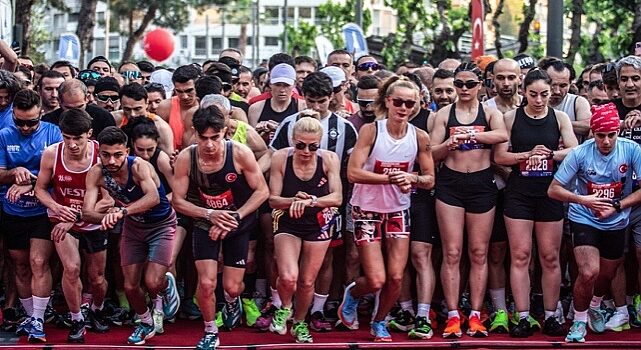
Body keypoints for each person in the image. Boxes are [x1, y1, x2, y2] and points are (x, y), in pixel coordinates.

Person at [338, 76, 436, 342]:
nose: (403, 108)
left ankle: (379, 321)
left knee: (395, 277)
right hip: (366, 210)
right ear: (387, 102)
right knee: (376, 279)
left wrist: (413, 178)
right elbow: (353, 172)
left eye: (409, 103)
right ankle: (353, 294)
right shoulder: (372, 130)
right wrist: (392, 178)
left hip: (397, 210)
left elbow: (429, 179)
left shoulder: (420, 136)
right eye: (398, 102)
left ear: (416, 106)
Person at [172, 105, 269, 350]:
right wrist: (210, 214)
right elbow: (178, 200)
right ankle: (210, 330)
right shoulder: (187, 158)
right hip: (206, 220)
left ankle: (232, 300)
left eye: (215, 138)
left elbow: (262, 191)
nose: (209, 145)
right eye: (203, 138)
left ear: (225, 132)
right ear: (195, 134)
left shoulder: (239, 153)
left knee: (232, 286)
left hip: (239, 219)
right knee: (206, 284)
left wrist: (234, 217)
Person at [494, 69, 579, 337]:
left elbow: (574, 150)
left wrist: (551, 154)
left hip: (550, 193)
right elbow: (499, 157)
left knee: (550, 257)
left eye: (544, 94)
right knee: (520, 256)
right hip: (519, 193)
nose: (540, 100)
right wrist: (526, 155)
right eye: (533, 94)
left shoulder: (560, 117)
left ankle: (552, 314)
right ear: (524, 92)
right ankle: (522, 315)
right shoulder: (510, 118)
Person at [548, 103, 641, 343]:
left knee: (607, 274)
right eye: (601, 135)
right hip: (584, 217)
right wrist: (583, 200)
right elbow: (554, 190)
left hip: (616, 220)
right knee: (589, 271)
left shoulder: (632, 150)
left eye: (612, 135)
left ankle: (595, 304)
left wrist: (618, 206)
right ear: (592, 132)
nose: (607, 141)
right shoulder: (580, 153)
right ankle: (579, 322)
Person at [429, 63, 508, 338]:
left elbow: (502, 135)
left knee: (478, 252)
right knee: (452, 252)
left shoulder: (489, 111)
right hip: (451, 184)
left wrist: (473, 135)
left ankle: (475, 313)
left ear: (480, 85)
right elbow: (430, 153)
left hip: (481, 184)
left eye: (469, 84)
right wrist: (448, 145)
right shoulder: (443, 114)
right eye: (459, 84)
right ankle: (452, 314)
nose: (464, 89)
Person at [82, 127, 180, 345]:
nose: (112, 160)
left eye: (118, 154)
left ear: (126, 151)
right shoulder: (97, 172)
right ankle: (145, 322)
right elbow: (87, 212)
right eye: (106, 155)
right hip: (133, 227)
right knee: (130, 286)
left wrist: (121, 212)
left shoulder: (138, 166)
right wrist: (105, 218)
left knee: (153, 282)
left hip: (161, 225)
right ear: (99, 154)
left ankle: (165, 286)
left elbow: (153, 197)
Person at [34, 109, 110, 342]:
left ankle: (96, 309)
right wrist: (56, 208)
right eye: (67, 138)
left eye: (78, 138)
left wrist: (77, 217)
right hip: (61, 218)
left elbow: (108, 199)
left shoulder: (101, 155)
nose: (72, 144)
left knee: (96, 278)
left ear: (89, 134)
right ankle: (77, 319)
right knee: (72, 268)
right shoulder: (51, 154)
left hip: (93, 220)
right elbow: (40, 189)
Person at [267, 117, 342, 343]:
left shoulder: (329, 159)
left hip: (317, 221)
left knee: (308, 281)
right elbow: (273, 199)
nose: (306, 151)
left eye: (313, 146)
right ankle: (284, 307)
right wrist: (293, 200)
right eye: (300, 145)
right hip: (288, 221)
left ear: (320, 144)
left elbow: (337, 197)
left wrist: (311, 201)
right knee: (289, 277)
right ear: (292, 141)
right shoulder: (281, 157)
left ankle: (300, 322)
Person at [0, 89, 63, 343]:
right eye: (19, 122)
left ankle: (38, 318)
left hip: (42, 209)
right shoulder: (4, 135)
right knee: (21, 265)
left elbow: (60, 174)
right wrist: (15, 172)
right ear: (13, 116)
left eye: (31, 122)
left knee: (38, 261)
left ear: (41, 114)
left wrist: (30, 182)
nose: (25, 127)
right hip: (12, 210)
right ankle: (30, 315)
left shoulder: (53, 133)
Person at [248, 63, 305, 140]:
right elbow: (251, 141)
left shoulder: (302, 107)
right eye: (278, 85)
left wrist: (279, 129)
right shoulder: (256, 109)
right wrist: (259, 132)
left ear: (294, 85)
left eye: (286, 85)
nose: (282, 90)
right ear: (270, 84)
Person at [42, 79, 116, 138]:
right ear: (59, 101)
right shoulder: (49, 122)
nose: (75, 112)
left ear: (87, 98)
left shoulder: (103, 117)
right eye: (69, 108)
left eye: (79, 107)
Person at [114, 83, 174, 155]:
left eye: (137, 109)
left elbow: (168, 158)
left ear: (147, 103)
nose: (132, 114)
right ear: (121, 104)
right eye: (127, 109)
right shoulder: (116, 119)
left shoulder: (161, 127)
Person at [542, 59, 591, 142]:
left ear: (570, 84)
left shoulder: (578, 102)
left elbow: (588, 126)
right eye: (552, 85)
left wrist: (556, 123)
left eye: (563, 85)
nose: (557, 91)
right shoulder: (533, 101)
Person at [156, 65, 201, 151]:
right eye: (179, 91)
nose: (185, 96)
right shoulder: (165, 107)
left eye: (189, 91)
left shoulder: (205, 105)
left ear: (197, 86)